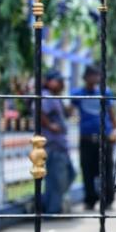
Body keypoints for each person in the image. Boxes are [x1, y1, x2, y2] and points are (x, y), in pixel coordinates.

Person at [70, 65, 116, 210]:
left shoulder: (105, 92)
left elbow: (111, 113)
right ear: (85, 78)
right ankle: (90, 200)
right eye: (92, 75)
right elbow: (70, 111)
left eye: (96, 75)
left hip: (104, 137)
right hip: (86, 138)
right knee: (87, 170)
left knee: (106, 169)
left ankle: (108, 199)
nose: (94, 79)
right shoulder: (78, 94)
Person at [39, 70, 76, 214]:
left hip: (60, 145)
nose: (61, 84)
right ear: (49, 81)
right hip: (53, 145)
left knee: (67, 175)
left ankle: (49, 205)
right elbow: (39, 111)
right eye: (58, 81)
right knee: (56, 180)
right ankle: (51, 211)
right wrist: (49, 125)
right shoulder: (45, 95)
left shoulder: (54, 97)